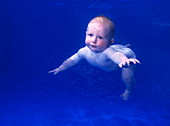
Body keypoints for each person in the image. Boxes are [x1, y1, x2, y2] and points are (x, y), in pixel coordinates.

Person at [49, 15, 140, 100]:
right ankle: (123, 47)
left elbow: (116, 55)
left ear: (110, 41)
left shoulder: (107, 52)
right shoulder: (83, 51)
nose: (93, 40)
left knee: (127, 76)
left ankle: (128, 90)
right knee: (115, 48)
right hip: (115, 48)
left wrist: (124, 60)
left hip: (127, 57)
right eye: (90, 35)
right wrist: (61, 68)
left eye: (100, 37)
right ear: (86, 34)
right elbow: (72, 60)